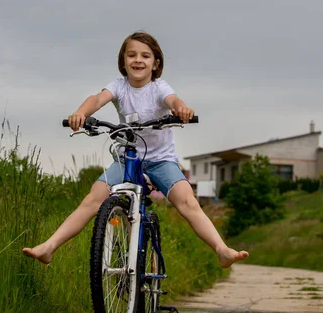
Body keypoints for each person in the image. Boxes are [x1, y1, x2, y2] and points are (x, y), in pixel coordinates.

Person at [23, 31, 249, 268]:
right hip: (128, 158)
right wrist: (81, 113)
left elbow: (174, 101)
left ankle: (221, 250)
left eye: (145, 56)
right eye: (131, 55)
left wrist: (182, 110)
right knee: (92, 199)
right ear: (123, 61)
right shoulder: (118, 87)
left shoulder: (159, 87)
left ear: (155, 63)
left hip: (161, 160)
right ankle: (49, 247)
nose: (138, 60)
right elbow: (97, 99)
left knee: (187, 202)